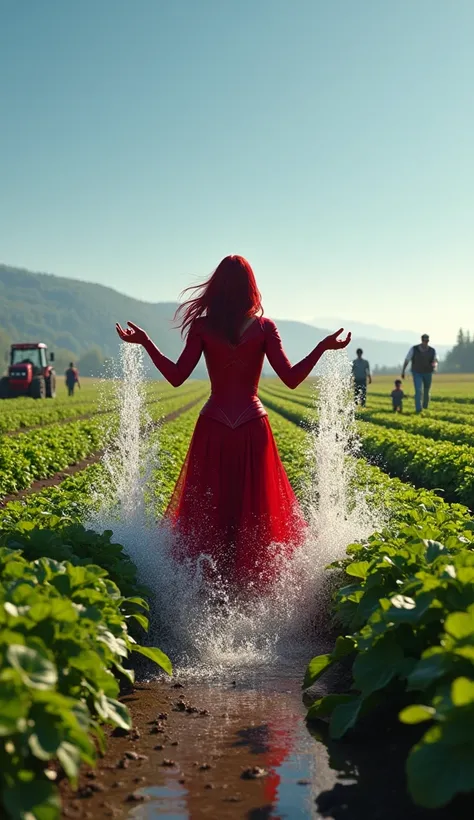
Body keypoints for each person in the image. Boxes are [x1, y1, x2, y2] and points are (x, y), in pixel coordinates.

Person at [116, 255, 351, 589]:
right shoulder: (265, 328)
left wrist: (146, 343)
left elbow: (176, 377)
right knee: (254, 512)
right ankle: (253, 586)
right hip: (253, 428)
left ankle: (206, 585)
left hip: (213, 427)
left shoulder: (202, 327)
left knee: (209, 512)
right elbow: (292, 379)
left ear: (217, 288)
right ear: (250, 288)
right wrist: (322, 347)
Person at [402, 334, 437, 413]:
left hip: (428, 372)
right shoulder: (414, 349)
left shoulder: (432, 350)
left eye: (427, 341)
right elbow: (407, 359)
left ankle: (425, 407)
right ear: (422, 340)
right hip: (417, 372)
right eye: (424, 340)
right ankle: (418, 409)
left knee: (426, 390)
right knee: (418, 390)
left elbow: (435, 360)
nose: (426, 342)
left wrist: (434, 367)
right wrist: (403, 371)